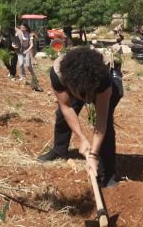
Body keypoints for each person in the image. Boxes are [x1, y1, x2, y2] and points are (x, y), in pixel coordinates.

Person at [38, 47, 123, 188]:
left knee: (107, 124)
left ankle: (108, 174)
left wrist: (93, 155)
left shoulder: (103, 80)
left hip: (101, 87)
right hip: (76, 84)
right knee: (61, 116)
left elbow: (101, 121)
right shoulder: (58, 74)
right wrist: (82, 138)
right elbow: (66, 107)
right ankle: (59, 150)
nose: (87, 99)